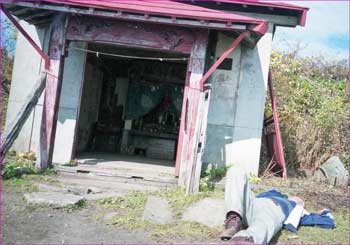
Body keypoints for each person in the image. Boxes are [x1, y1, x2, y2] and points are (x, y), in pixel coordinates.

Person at [220, 165, 335, 244]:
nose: (298, 199)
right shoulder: (272, 193)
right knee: (235, 170)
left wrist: (324, 211)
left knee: (264, 221)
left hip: (273, 211)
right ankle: (233, 220)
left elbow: (328, 222)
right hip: (252, 205)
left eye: (299, 200)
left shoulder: (297, 211)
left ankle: (246, 239)